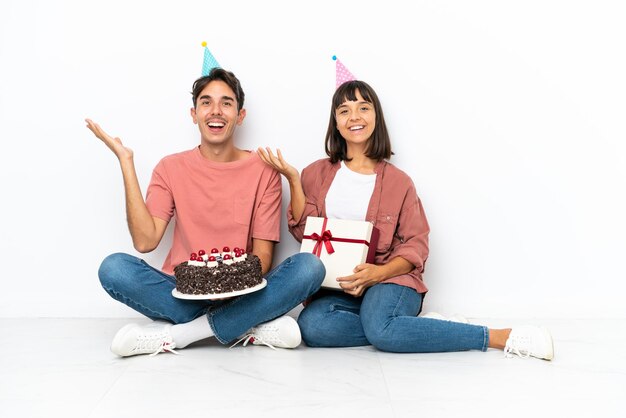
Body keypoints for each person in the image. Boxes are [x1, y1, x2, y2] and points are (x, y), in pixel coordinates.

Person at [258, 80, 554, 360]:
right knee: (312, 326)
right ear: (335, 121)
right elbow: (302, 231)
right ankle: (416, 327)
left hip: (391, 281)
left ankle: (498, 337)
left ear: (376, 117)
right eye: (344, 110)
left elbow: (416, 245)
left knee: (381, 328)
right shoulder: (315, 173)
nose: (354, 117)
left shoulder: (399, 182)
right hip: (340, 289)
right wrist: (293, 180)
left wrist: (378, 273)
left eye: (363, 108)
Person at [86, 68, 325, 357]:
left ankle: (181, 335)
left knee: (309, 267)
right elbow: (145, 242)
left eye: (226, 103)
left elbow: (263, 258)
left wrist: (228, 286)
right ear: (194, 113)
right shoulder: (169, 168)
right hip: (181, 292)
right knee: (114, 268)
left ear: (240, 115)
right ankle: (246, 325)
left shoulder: (264, 171)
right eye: (206, 102)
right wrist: (126, 162)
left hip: (243, 291)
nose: (216, 111)